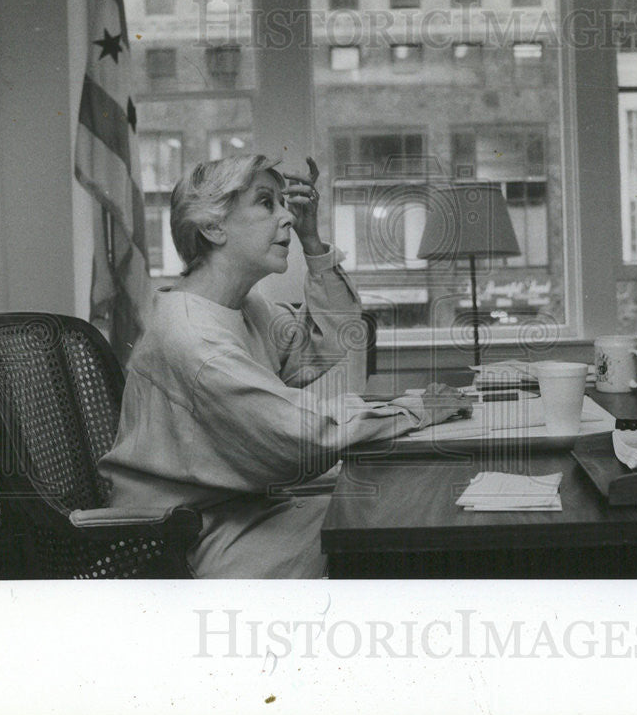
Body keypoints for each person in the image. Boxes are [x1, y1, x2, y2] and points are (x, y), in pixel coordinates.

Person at [97, 153, 472, 578]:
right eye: (265, 202)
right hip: (185, 541)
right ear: (213, 227)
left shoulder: (242, 306)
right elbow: (302, 434)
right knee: (407, 533)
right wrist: (416, 410)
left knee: (403, 511)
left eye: (283, 203)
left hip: (241, 509)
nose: (288, 218)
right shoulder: (196, 338)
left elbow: (333, 344)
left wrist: (313, 245)